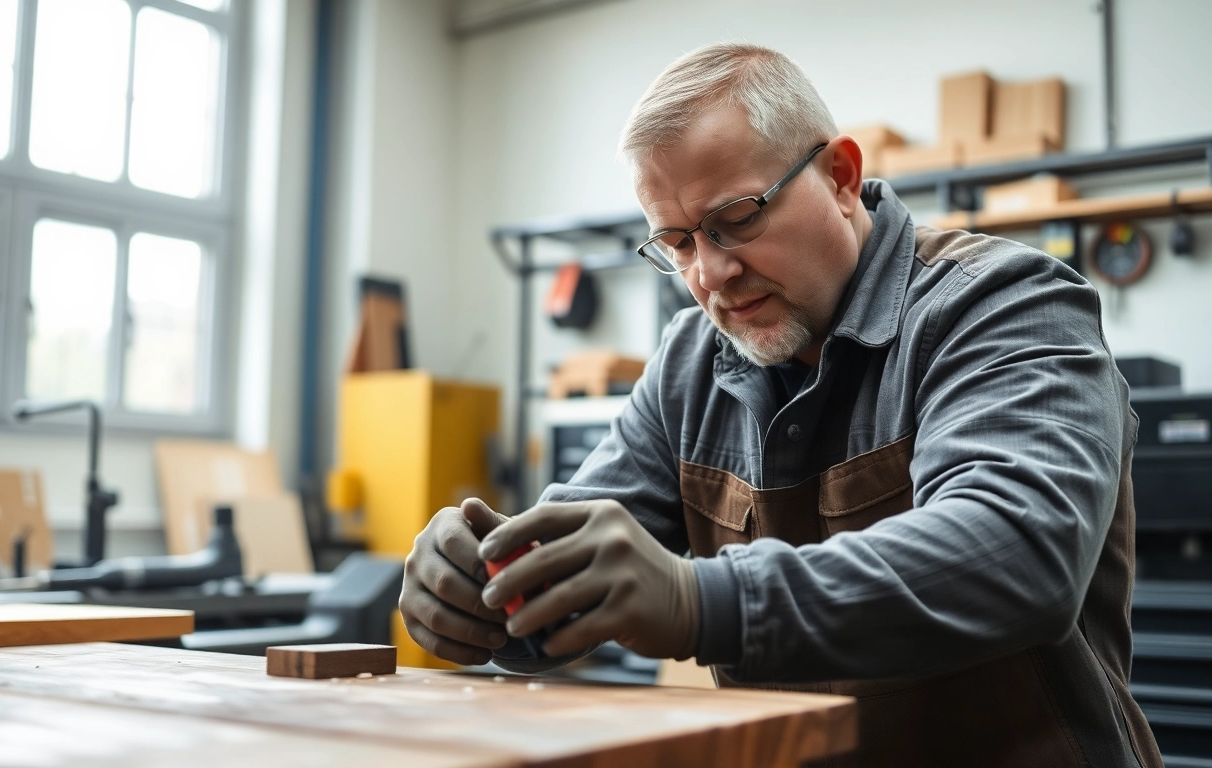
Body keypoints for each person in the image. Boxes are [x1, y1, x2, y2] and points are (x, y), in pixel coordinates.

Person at [398, 42, 1162, 767]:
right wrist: (487, 595)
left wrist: (700, 602)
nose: (712, 274)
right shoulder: (688, 366)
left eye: (736, 220)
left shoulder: (1002, 304)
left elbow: (1018, 551)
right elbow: (571, 579)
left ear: (839, 175)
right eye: (677, 244)